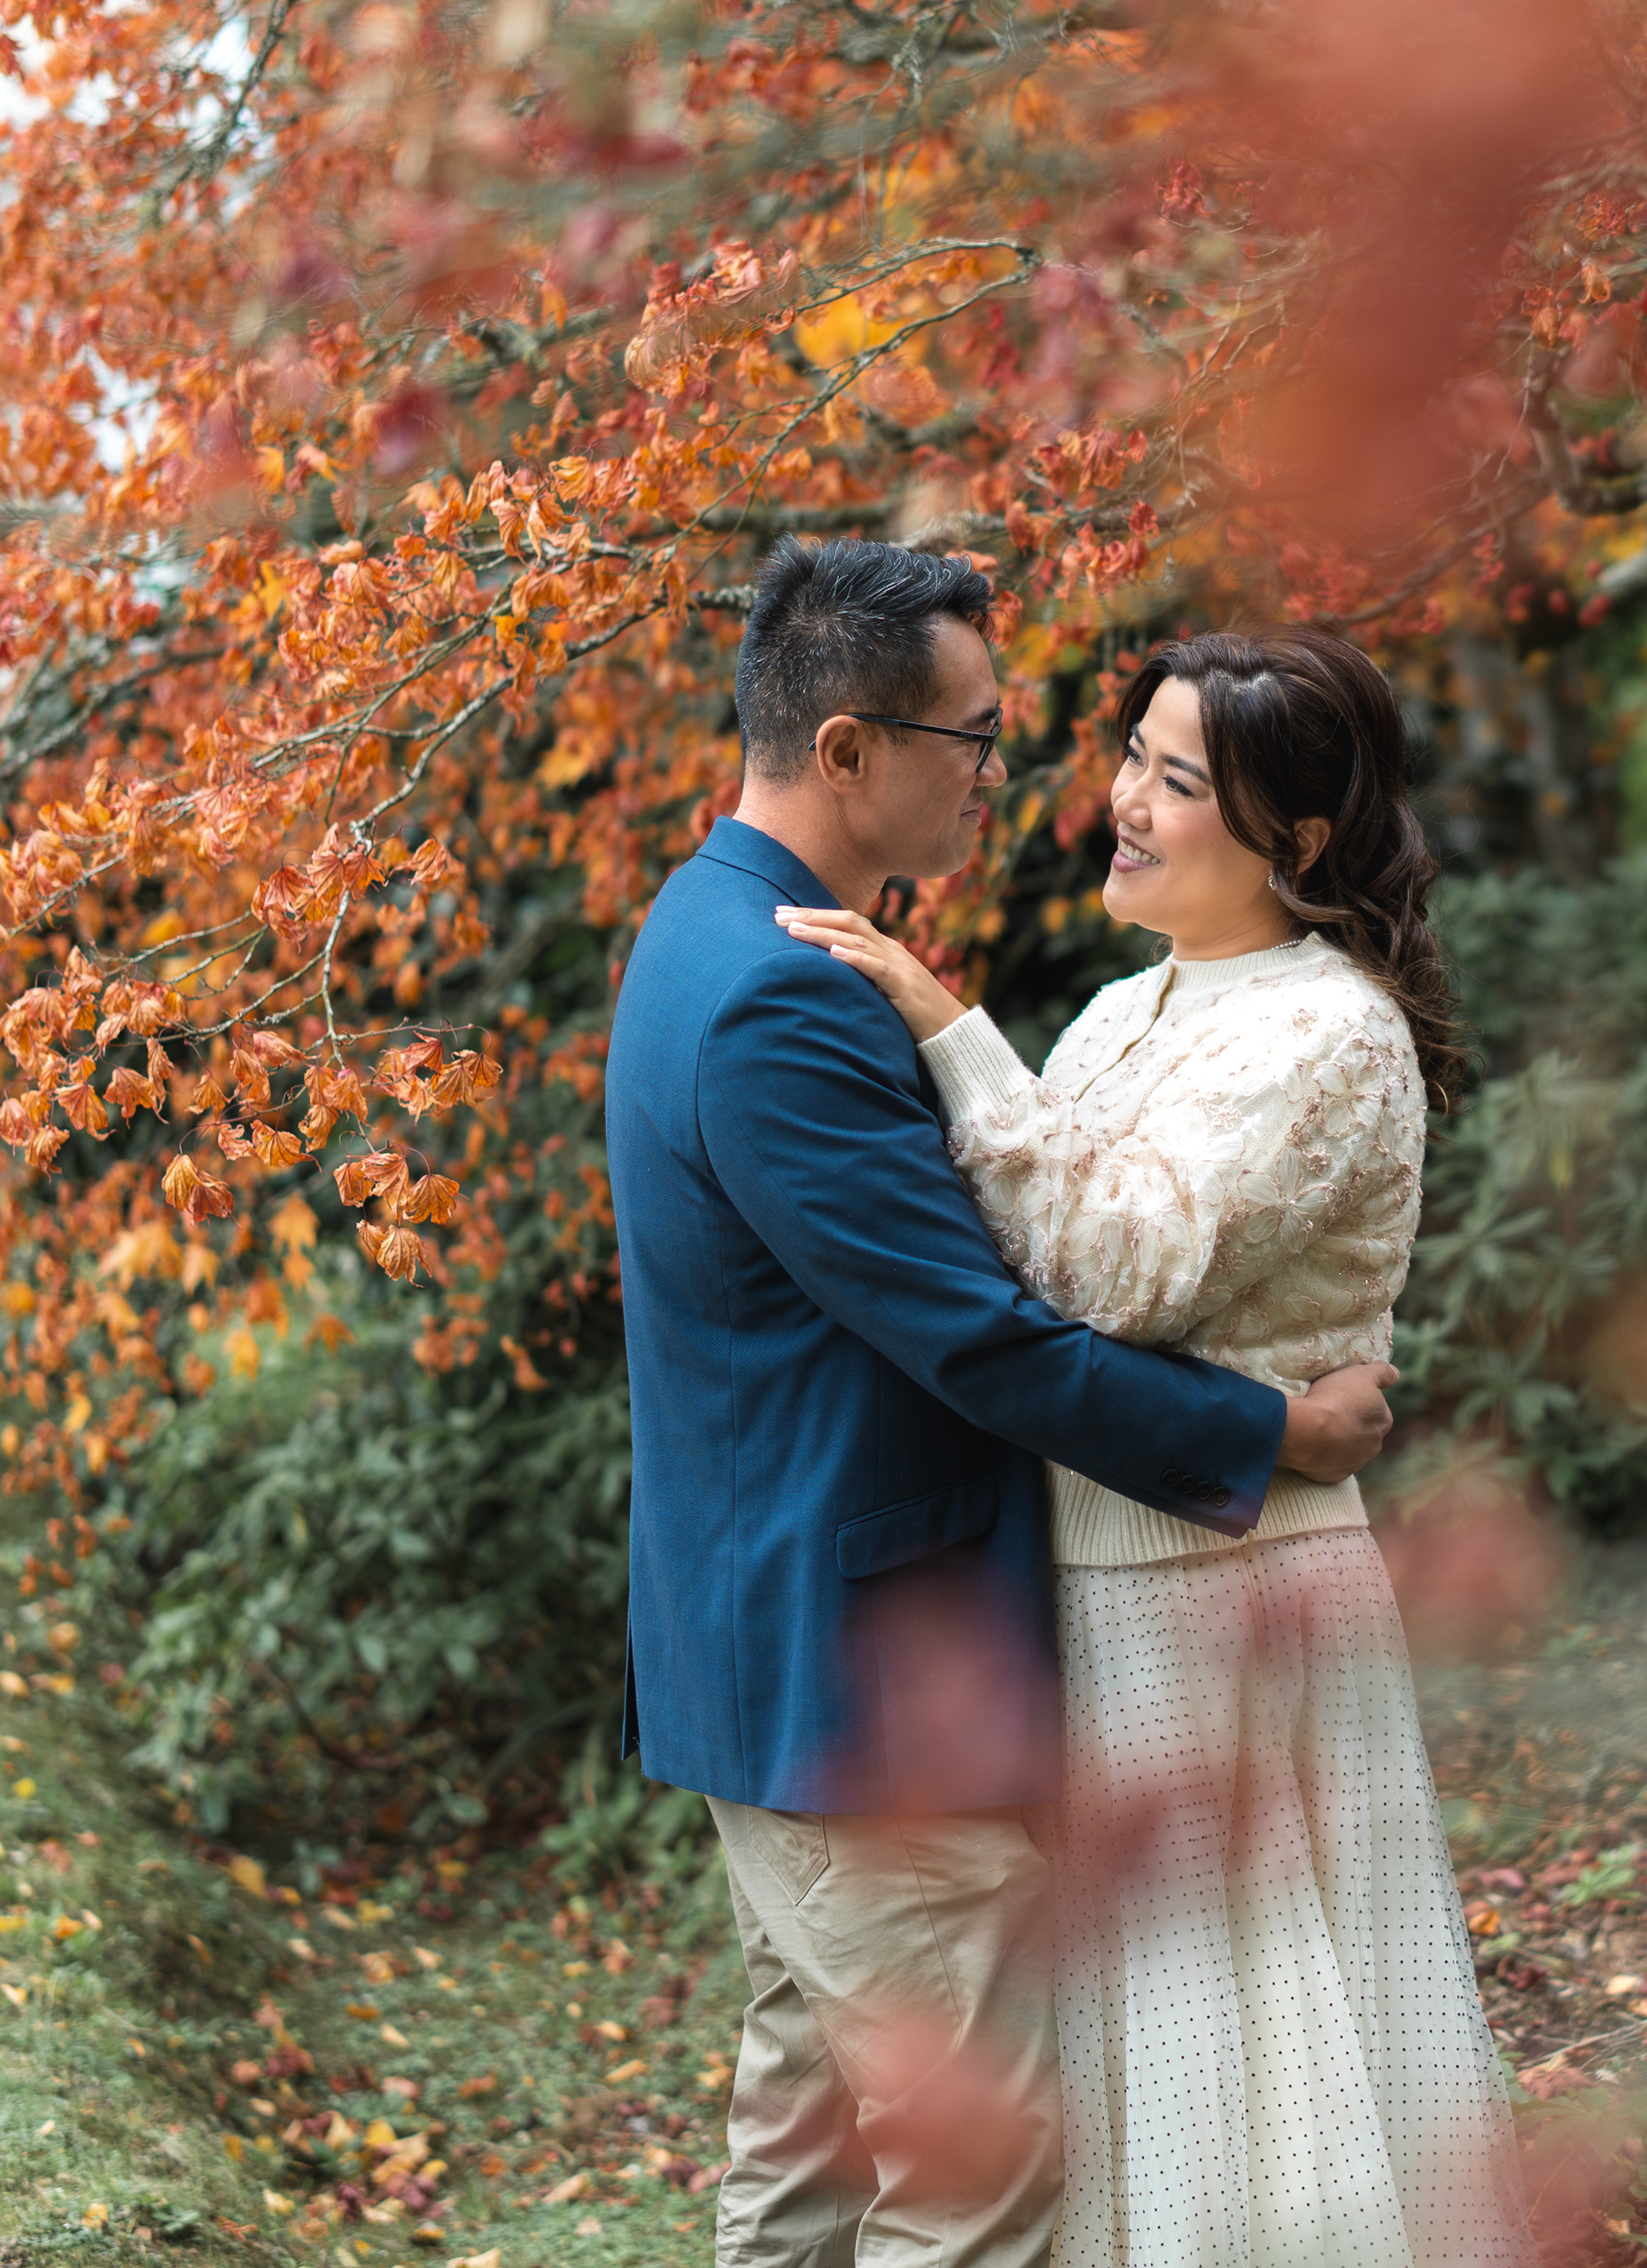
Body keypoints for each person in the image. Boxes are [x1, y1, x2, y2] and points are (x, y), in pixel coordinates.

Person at [607, 540, 1401, 2268]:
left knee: (810, 2167)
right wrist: (1271, 1434)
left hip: (786, 1659)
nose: (1002, 771)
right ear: (847, 750)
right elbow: (983, 1340)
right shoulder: (781, 999)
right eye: (970, 737)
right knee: (978, 2191)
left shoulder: (707, 926)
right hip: (859, 1692)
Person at [780, 624, 1535, 2268]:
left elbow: (1114, 1269)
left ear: (1297, 837)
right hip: (1097, 1585)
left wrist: (945, 1024)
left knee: (1250, 2060)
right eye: (1134, 756)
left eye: (1177, 780)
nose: (1124, 800)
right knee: (1128, 2054)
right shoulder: (1128, 1010)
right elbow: (1017, 1273)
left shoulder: (1330, 1030)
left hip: (1229, 1593)